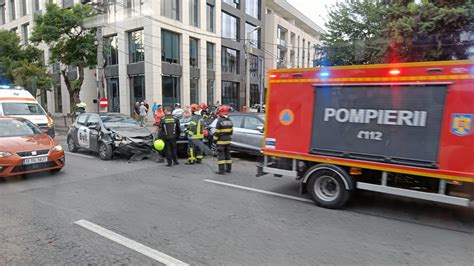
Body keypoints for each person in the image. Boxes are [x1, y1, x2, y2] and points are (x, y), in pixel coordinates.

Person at [213, 105, 233, 175]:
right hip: (228, 141)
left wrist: (214, 141)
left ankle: (221, 171)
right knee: (228, 155)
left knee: (221, 156)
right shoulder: (230, 121)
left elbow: (217, 133)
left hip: (221, 142)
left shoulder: (219, 121)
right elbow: (231, 132)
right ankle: (228, 169)